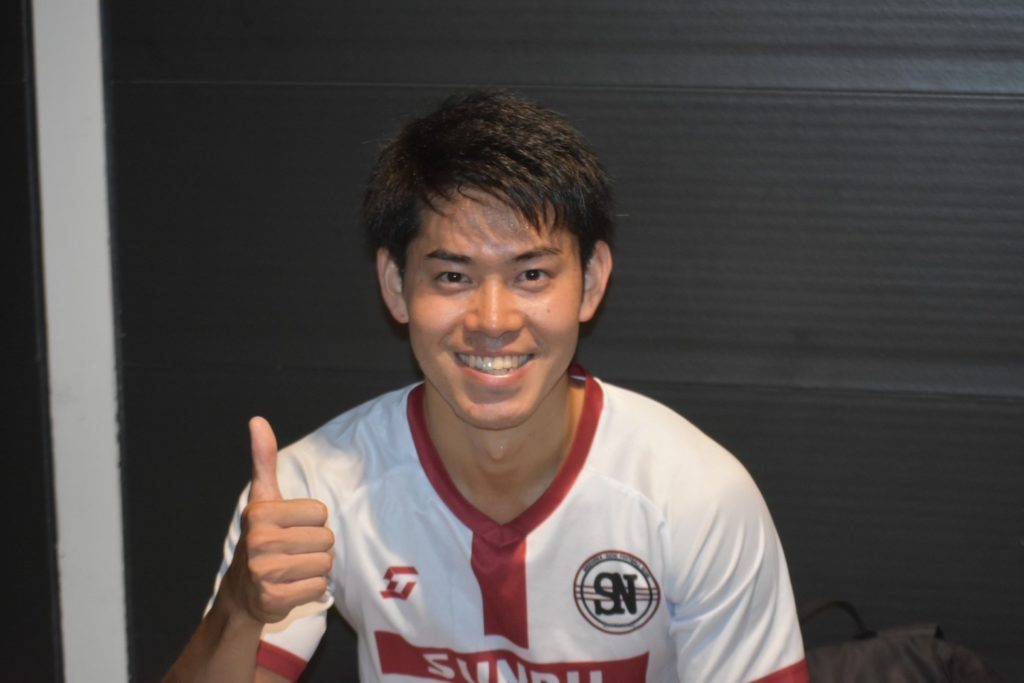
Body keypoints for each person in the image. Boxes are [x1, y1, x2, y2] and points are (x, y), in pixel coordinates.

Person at [165, 91, 808, 683]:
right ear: (395, 286)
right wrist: (239, 610)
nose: (493, 322)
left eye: (531, 275)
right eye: (453, 277)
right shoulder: (313, 491)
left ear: (590, 282)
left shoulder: (693, 495)